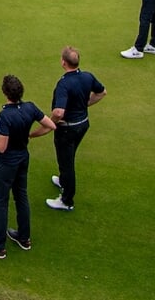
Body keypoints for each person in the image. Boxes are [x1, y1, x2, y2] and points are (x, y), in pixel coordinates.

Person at [0, 74, 54, 259]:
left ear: (5, 93)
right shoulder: (30, 107)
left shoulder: (5, 115)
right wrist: (32, 135)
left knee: (1, 202)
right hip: (22, 158)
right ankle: (24, 237)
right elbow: (51, 125)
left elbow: (1, 147)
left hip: (5, 163)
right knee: (21, 196)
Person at [45, 47, 105, 211]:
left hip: (67, 129)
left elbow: (59, 112)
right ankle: (64, 181)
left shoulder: (64, 83)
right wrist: (84, 104)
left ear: (63, 62)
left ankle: (66, 200)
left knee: (67, 162)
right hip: (83, 124)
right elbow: (101, 92)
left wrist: (50, 123)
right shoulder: (87, 76)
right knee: (68, 158)